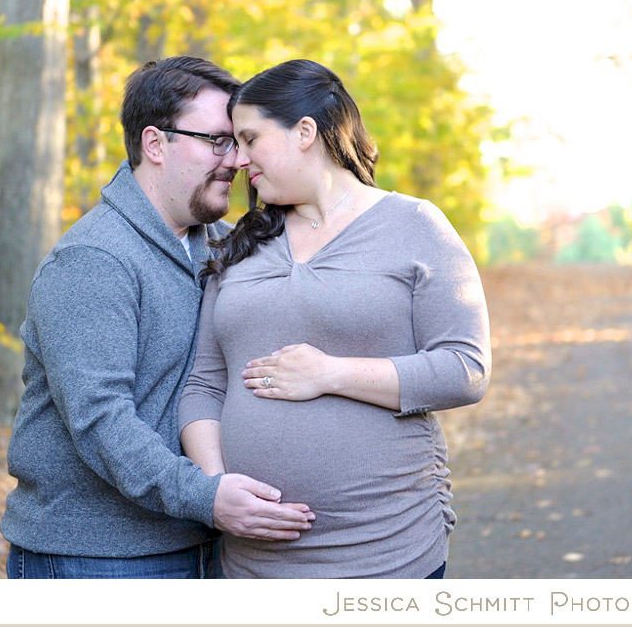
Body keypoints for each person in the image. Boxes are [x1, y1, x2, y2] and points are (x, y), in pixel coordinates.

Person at [0, 56, 314, 580]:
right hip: (98, 559)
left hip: (204, 543)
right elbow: (102, 421)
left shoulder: (223, 245)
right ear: (155, 144)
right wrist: (207, 496)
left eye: (240, 142)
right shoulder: (94, 259)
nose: (237, 161)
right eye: (218, 140)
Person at [179, 58, 491, 579]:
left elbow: (466, 369)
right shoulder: (239, 244)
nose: (237, 159)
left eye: (251, 139)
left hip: (385, 550)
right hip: (253, 563)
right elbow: (204, 384)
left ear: (305, 132)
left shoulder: (414, 225)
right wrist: (217, 491)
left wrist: (329, 374)